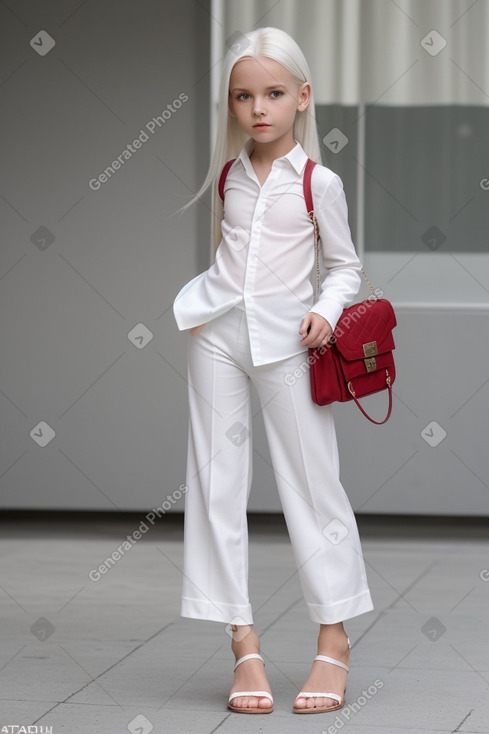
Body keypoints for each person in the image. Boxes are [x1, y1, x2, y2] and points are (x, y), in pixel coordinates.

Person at [173, 26, 374, 715]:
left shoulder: (321, 182)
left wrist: (323, 308)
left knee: (313, 487)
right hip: (218, 340)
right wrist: (203, 311)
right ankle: (243, 645)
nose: (258, 108)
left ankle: (333, 642)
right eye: (243, 96)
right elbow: (230, 259)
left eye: (273, 94)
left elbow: (345, 265)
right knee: (214, 485)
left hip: (290, 345)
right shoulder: (228, 176)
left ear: (302, 98)